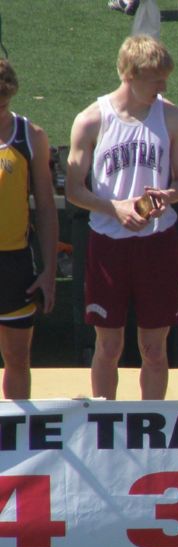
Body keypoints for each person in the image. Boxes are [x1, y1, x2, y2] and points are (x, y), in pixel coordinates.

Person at [66, 35, 178, 399]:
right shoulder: (91, 120)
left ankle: (151, 425)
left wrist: (169, 195)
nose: (163, 87)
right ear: (130, 74)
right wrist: (114, 208)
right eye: (156, 79)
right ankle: (104, 427)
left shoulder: (173, 118)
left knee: (154, 349)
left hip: (158, 243)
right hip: (108, 244)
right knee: (108, 347)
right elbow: (73, 190)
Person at [0, 59, 58, 400]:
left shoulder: (30, 135)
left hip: (14, 263)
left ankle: (14, 444)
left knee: (18, 357)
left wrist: (49, 270)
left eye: (4, 105)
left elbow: (47, 208)